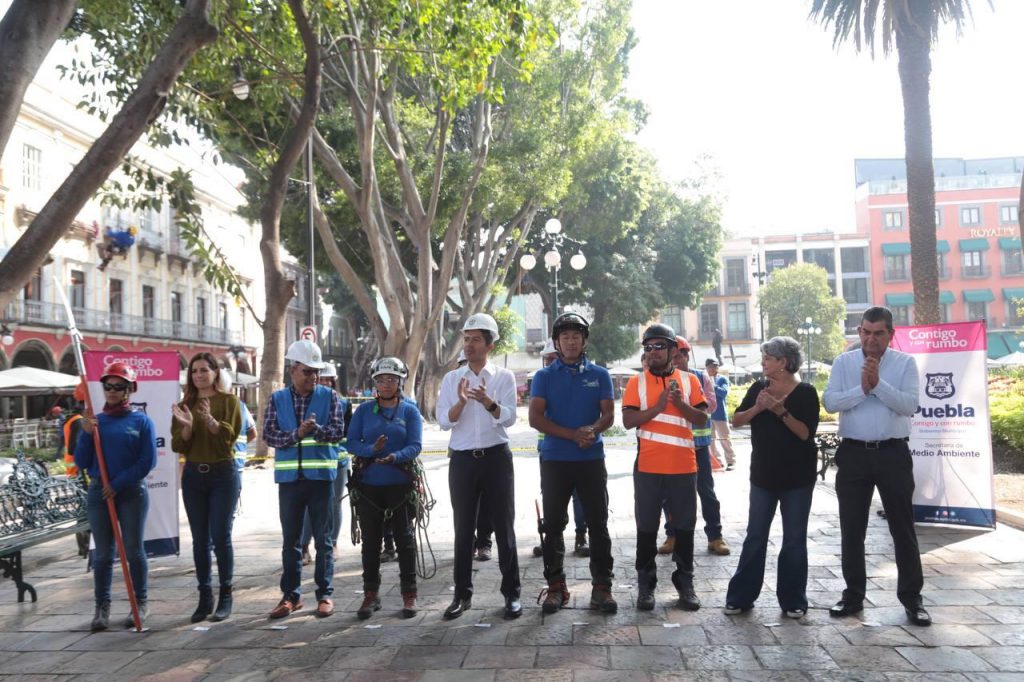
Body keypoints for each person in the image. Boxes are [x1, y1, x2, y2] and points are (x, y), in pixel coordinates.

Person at [822, 306, 929, 627]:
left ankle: (912, 599)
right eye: (865, 332)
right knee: (852, 529)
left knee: (902, 528)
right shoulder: (843, 363)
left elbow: (910, 405)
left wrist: (878, 384)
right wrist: (863, 389)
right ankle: (853, 596)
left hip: (893, 454)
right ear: (859, 332)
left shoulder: (905, 363)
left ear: (890, 334)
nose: (871, 339)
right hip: (853, 454)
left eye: (878, 333)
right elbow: (830, 402)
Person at [725, 337, 819, 618]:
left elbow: (805, 433)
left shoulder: (805, 392)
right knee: (755, 536)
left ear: (783, 362)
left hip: (798, 479)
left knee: (793, 539)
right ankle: (741, 597)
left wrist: (780, 411)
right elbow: (736, 420)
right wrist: (759, 407)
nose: (763, 362)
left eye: (768, 358)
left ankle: (793, 600)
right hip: (763, 477)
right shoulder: (758, 388)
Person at [531, 313, 616, 614]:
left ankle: (602, 587)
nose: (570, 341)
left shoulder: (600, 374)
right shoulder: (544, 376)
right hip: (555, 459)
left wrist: (592, 430)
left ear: (584, 341)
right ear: (556, 342)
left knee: (598, 523)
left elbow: (608, 414)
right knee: (553, 524)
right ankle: (556, 587)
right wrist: (572, 434)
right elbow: (535, 418)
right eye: (564, 337)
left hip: (591, 458)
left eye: (575, 336)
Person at [437, 312, 521, 620]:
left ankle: (511, 593)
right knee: (463, 529)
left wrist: (487, 402)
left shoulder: (503, 377)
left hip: (496, 457)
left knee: (504, 527)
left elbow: (509, 417)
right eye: (466, 339)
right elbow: (444, 420)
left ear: (489, 344)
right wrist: (460, 402)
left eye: (475, 339)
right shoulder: (450, 379)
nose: (469, 345)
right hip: (462, 461)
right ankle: (462, 595)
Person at [623, 323, 707, 611]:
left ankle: (685, 584)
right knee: (646, 528)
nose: (653, 352)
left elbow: (701, 419)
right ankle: (646, 587)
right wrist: (658, 407)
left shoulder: (690, 380)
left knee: (685, 528)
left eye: (660, 346)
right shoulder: (636, 382)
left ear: (672, 349)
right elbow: (628, 421)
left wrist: (679, 404)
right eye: (648, 347)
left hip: (684, 467)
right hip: (648, 467)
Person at [262, 339, 346, 619]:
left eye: (316, 372)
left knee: (323, 540)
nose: (313, 377)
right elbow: (269, 435)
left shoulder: (329, 397)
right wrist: (296, 434)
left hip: (321, 478)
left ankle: (324, 595)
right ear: (292, 370)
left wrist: (316, 430)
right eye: (307, 371)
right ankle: (290, 596)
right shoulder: (277, 399)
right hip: (289, 480)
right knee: (291, 541)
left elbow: (337, 432)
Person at [75, 363, 157, 631]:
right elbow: (82, 461)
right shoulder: (95, 421)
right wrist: (85, 435)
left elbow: (147, 461)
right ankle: (102, 607)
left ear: (129, 390)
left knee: (133, 551)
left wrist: (118, 483)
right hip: (100, 492)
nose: (111, 391)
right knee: (102, 554)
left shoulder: (141, 421)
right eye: (107, 386)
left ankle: (140, 603)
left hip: (131, 492)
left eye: (118, 386)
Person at [346, 357, 423, 619]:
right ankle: (370, 594)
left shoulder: (410, 411)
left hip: (400, 486)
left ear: (400, 381)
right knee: (370, 542)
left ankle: (409, 594)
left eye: (392, 379)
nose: (386, 384)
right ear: (375, 383)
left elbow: (416, 445)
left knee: (405, 540)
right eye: (381, 380)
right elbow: (352, 443)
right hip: (369, 486)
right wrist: (372, 450)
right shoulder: (364, 412)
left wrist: (395, 457)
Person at [171, 353, 243, 623]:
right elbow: (178, 445)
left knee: (220, 536)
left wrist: (212, 423)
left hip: (222, 474)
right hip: (193, 475)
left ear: (215, 373)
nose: (199, 375)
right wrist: (188, 428)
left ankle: (226, 594)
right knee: (200, 540)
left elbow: (230, 440)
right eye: (194, 371)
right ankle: (205, 596)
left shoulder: (229, 401)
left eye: (204, 370)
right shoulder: (183, 404)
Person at [658, 337, 730, 557]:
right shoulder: (663, 378)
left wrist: (684, 404)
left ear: (687, 356)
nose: (676, 361)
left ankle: (715, 536)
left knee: (706, 492)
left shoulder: (701, 377)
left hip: (697, 447)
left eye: (680, 356)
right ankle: (672, 535)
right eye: (673, 357)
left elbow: (710, 405)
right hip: (672, 447)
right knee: (668, 495)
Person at [530, 338, 590, 560]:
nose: (550, 363)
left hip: (579, 449)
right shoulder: (544, 380)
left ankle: (581, 535)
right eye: (547, 360)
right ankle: (553, 538)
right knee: (551, 494)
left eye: (553, 358)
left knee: (579, 495)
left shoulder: (581, 377)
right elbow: (536, 416)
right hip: (550, 449)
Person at [300, 362, 352, 564]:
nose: (324, 383)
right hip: (313, 461)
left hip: (338, 461)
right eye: (321, 379)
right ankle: (304, 546)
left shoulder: (343, 403)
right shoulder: (306, 402)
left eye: (328, 380)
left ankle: (332, 543)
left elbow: (348, 432)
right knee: (308, 505)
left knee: (335, 502)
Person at [706, 358, 736, 470]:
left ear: (718, 368)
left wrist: (713, 385)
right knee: (711, 440)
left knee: (725, 439)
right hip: (708, 415)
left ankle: (731, 461)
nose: (712, 368)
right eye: (710, 366)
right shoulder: (703, 379)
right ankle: (717, 462)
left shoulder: (722, 379)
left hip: (720, 414)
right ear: (706, 368)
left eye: (715, 366)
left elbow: (723, 393)